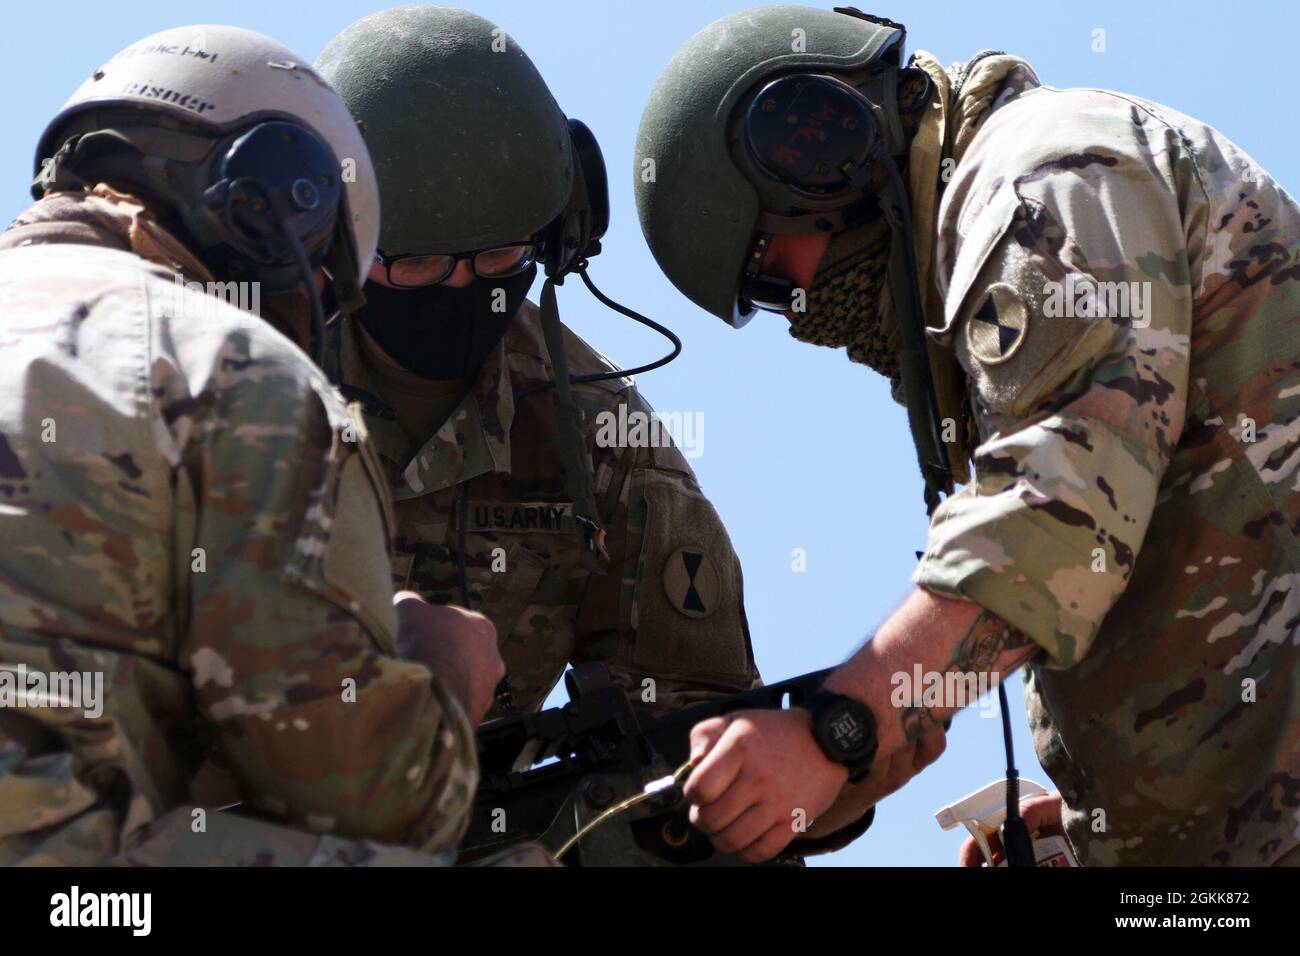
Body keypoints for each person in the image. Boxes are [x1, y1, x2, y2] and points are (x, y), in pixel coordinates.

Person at [633, 5, 1300, 865]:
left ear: (823, 155)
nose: (798, 309)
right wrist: (1103, 820)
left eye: (769, 261)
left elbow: (1059, 505)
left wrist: (841, 728)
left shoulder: (1042, 178)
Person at [0, 25, 506, 866]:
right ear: (278, 199)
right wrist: (441, 669)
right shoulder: (226, 365)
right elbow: (372, 799)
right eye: (318, 282)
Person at [314, 7, 767, 727]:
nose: (462, 286)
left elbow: (691, 708)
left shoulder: (597, 437)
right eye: (419, 261)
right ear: (338, 244)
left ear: (559, 236)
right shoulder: (233, 391)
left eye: (498, 256)